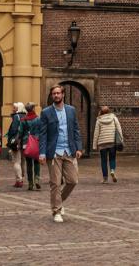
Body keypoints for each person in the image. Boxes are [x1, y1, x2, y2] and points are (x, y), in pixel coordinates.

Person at [38, 85, 83, 223]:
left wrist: (79, 148)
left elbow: (76, 129)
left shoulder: (71, 110)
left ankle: (59, 202)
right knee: (55, 183)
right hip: (54, 153)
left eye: (58, 93)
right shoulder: (46, 112)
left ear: (63, 94)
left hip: (69, 151)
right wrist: (42, 153)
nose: (56, 95)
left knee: (73, 180)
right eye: (54, 93)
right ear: (52, 96)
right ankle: (56, 210)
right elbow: (43, 134)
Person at [92, 106, 124, 183]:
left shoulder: (99, 120)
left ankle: (105, 179)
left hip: (102, 143)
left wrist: (94, 145)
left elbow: (96, 133)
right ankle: (112, 170)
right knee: (112, 158)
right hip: (112, 142)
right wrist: (121, 139)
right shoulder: (114, 118)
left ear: (101, 112)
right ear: (109, 111)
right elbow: (119, 129)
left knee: (103, 161)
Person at [6, 102, 27, 188]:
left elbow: (14, 130)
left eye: (14, 108)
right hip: (24, 142)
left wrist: (10, 139)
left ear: (18, 108)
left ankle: (19, 180)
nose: (13, 109)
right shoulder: (25, 116)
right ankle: (23, 177)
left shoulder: (16, 117)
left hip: (17, 142)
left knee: (16, 161)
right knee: (22, 161)